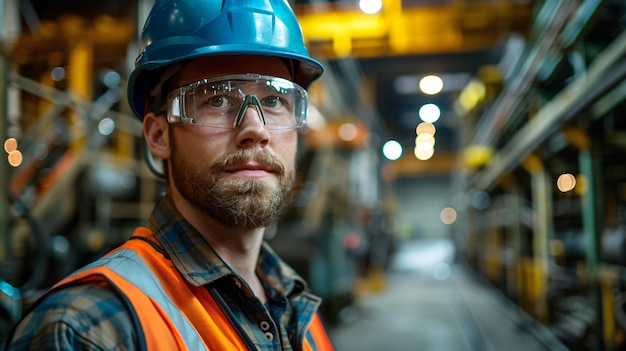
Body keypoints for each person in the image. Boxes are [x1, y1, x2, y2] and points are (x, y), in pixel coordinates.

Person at [4, 0, 335, 350]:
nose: (256, 129)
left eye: (274, 100)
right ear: (158, 135)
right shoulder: (85, 330)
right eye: (217, 99)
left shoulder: (298, 306)